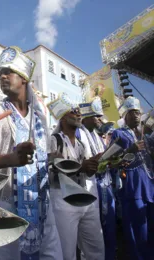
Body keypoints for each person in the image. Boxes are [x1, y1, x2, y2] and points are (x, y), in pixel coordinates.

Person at [0, 46, 63, 260]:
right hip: (3, 207)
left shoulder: (40, 120)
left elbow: (44, 158)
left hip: (43, 208)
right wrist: (10, 159)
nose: (2, 76)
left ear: (24, 78)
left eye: (8, 71)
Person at [47, 93, 105, 260]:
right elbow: (51, 170)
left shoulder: (80, 144)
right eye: (74, 111)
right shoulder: (54, 140)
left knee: (95, 246)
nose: (79, 114)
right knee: (67, 251)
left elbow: (86, 172)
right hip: (63, 201)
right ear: (63, 118)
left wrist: (94, 165)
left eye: (79, 111)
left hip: (84, 199)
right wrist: (82, 167)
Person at [110, 97, 154, 259]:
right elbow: (112, 162)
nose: (136, 115)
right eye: (131, 112)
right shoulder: (118, 133)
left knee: (150, 227)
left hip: (150, 184)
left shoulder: (146, 135)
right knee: (137, 230)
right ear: (125, 116)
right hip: (132, 186)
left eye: (137, 112)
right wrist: (131, 149)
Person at [78, 97, 116, 260]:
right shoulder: (79, 132)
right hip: (87, 184)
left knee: (107, 225)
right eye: (97, 116)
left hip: (103, 183)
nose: (101, 120)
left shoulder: (96, 135)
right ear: (87, 117)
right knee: (90, 231)